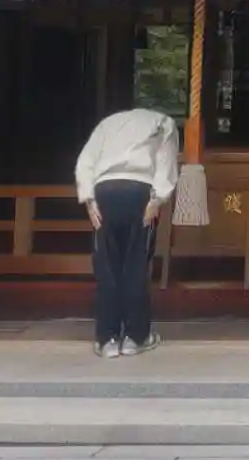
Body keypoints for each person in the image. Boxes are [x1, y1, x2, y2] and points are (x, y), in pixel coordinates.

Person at [74, 103, 180, 358]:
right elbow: (166, 163)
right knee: (135, 265)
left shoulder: (108, 123)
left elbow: (86, 161)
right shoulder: (163, 122)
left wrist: (89, 199)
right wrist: (157, 199)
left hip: (105, 191)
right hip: (139, 192)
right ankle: (135, 337)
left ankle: (107, 339)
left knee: (107, 266)